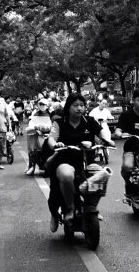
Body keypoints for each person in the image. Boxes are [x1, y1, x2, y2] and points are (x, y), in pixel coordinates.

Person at [45, 93, 111, 228]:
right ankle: (68, 208)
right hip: (64, 160)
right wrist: (55, 145)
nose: (79, 108)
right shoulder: (59, 122)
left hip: (87, 160)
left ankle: (91, 207)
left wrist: (107, 140)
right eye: (75, 105)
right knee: (66, 175)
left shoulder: (90, 121)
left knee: (101, 176)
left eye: (82, 105)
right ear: (68, 107)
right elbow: (51, 139)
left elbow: (102, 132)